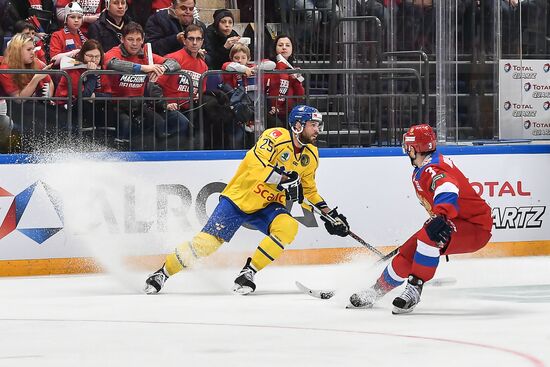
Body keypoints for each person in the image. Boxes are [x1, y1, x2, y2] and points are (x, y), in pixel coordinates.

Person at [144, 104, 350, 295]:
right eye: (313, 125)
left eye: (318, 125)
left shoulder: (311, 154)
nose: (317, 129)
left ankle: (248, 273)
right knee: (205, 244)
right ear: (297, 125)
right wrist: (285, 180)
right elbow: (257, 168)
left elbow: (309, 191)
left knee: (288, 227)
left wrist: (330, 215)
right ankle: (162, 273)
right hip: (240, 198)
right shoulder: (275, 136)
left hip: (268, 205)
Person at [348, 124, 493, 314]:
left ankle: (414, 289)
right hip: (455, 220)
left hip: (475, 227)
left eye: (408, 146)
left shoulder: (431, 168)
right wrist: (442, 217)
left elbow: (447, 187)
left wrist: (442, 215)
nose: (406, 150)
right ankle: (376, 291)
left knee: (429, 238)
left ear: (414, 148)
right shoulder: (425, 165)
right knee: (408, 251)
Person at [103, 21, 181, 147]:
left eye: (138, 39)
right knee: (125, 123)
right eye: (130, 39)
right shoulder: (115, 51)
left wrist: (162, 68)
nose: (134, 44)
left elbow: (175, 63)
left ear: (143, 40)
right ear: (122, 39)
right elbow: (112, 63)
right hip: (116, 105)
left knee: (159, 123)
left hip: (139, 105)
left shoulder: (145, 53)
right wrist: (143, 68)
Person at [54, 39, 112, 135]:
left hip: (90, 102)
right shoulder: (73, 69)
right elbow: (84, 95)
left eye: (97, 56)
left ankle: (107, 138)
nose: (93, 60)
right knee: (85, 105)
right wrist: (92, 74)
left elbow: (109, 95)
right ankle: (86, 138)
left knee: (107, 106)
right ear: (83, 54)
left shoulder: (102, 68)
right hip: (67, 105)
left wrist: (95, 96)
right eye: (90, 56)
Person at [266, 35, 305, 128]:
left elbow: (300, 96)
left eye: (287, 45)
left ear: (292, 50)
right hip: (270, 110)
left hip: (288, 111)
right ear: (275, 48)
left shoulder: (294, 69)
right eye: (280, 45)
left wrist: (296, 80)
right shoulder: (269, 65)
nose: (284, 47)